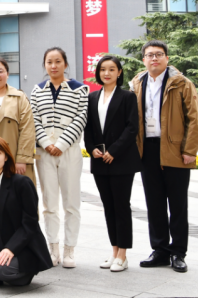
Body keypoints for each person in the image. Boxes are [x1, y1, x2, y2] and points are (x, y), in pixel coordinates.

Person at [131, 40, 198, 273]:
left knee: (178, 205)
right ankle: (160, 250)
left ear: (167, 58)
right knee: (154, 204)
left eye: (159, 54)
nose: (154, 58)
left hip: (174, 149)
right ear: (144, 59)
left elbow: (195, 118)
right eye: (150, 55)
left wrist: (189, 150)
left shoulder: (182, 83)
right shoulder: (137, 83)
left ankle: (178, 252)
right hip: (148, 150)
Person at [30, 47, 88, 268]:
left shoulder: (79, 89)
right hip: (44, 152)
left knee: (71, 203)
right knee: (49, 203)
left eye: (57, 61)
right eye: (49, 62)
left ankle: (69, 250)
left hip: (69, 151)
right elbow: (34, 118)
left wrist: (61, 144)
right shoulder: (37, 90)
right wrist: (46, 143)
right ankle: (53, 249)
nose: (53, 66)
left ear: (65, 63)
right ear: (45, 65)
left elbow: (81, 118)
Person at [0, 136, 53, 290]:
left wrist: (11, 248)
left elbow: (30, 223)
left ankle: (15, 272)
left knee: (0, 270)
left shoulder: (22, 183)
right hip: (0, 248)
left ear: (6, 157)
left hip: (23, 247)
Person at [84, 56, 141, 273]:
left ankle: (123, 255)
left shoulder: (128, 97)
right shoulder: (92, 97)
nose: (106, 73)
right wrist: (91, 148)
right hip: (100, 160)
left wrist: (114, 151)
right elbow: (88, 128)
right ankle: (114, 251)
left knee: (121, 206)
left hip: (121, 160)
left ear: (119, 72)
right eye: (103, 69)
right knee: (108, 206)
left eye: (111, 69)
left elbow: (132, 128)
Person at [0, 57, 37, 185]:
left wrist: (22, 158)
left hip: (13, 157)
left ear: (7, 74)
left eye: (0, 71)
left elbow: (27, 129)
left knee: (15, 193)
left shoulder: (19, 97)